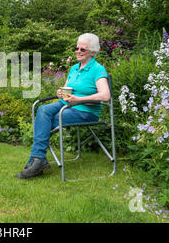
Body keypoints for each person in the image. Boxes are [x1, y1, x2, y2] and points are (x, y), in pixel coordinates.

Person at [16, 33, 110, 179]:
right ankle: (39, 160)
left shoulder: (97, 69)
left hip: (85, 110)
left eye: (82, 49)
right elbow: (67, 88)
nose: (78, 51)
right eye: (76, 48)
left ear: (92, 52)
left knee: (44, 122)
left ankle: (35, 162)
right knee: (42, 109)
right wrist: (60, 92)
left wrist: (79, 99)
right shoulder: (74, 68)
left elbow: (105, 95)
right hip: (66, 104)